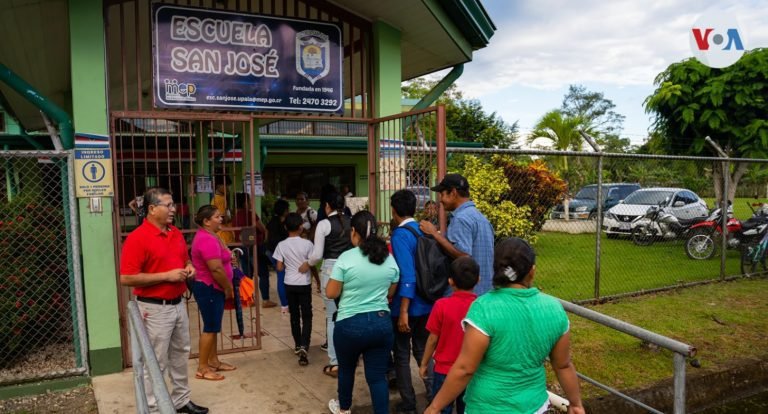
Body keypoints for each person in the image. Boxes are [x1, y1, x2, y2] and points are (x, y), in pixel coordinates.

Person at [424, 238, 585, 414]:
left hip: (488, 407)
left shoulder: (484, 308)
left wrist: (435, 406)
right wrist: (575, 404)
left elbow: (465, 369)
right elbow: (562, 365)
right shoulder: (554, 309)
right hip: (535, 407)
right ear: (532, 271)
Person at [119, 187, 208, 414]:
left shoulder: (175, 233)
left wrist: (189, 267)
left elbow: (185, 258)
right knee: (155, 361)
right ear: (151, 209)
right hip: (154, 309)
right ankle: (154, 407)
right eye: (168, 205)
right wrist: (166, 276)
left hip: (178, 304)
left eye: (173, 204)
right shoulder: (137, 239)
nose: (173, 209)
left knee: (180, 354)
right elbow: (126, 277)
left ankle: (181, 401)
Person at [325, 211, 400, 414]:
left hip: (349, 325)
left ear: (354, 233)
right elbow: (391, 290)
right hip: (381, 324)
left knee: (347, 370)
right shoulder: (388, 257)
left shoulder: (346, 258)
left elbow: (331, 293)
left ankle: (344, 409)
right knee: (377, 377)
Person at [388, 189, 433, 414]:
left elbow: (407, 275)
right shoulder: (424, 230)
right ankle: (435, 396)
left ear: (393, 210)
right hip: (427, 303)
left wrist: (403, 310)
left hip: (406, 305)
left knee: (402, 354)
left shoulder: (400, 235)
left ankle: (408, 404)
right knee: (423, 351)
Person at [419, 257, 479, 414]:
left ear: (450, 281)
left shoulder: (441, 306)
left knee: (441, 407)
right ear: (478, 280)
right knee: (466, 409)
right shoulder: (481, 307)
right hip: (471, 370)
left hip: (443, 371)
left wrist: (424, 363)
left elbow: (432, 339)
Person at [419, 173, 494, 295]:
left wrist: (434, 234)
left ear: (453, 193)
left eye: (442, 194)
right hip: (485, 291)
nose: (441, 200)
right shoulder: (481, 218)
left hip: (467, 294)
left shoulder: (460, 219)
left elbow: (464, 255)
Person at [190, 205, 236, 381]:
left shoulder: (212, 236)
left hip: (213, 287)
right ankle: (202, 368)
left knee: (214, 325)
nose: (221, 219)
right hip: (209, 287)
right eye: (217, 217)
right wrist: (228, 287)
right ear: (206, 221)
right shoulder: (206, 239)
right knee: (210, 327)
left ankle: (214, 361)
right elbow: (216, 269)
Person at [309, 192, 352, 378]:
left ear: (327, 206)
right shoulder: (352, 221)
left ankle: (335, 362)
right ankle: (351, 356)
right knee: (349, 312)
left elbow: (317, 255)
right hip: (351, 268)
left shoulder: (324, 224)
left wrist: (308, 263)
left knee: (332, 316)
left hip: (331, 269)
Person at [272, 213, 314, 366]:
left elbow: (279, 267)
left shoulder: (281, 245)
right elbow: (312, 263)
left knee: (294, 315)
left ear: (285, 227)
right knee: (307, 315)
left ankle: (297, 345)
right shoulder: (308, 244)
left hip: (289, 283)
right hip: (304, 284)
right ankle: (305, 345)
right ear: (301, 226)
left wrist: (287, 265)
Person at [232, 193, 269, 286]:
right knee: (262, 273)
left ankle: (249, 298)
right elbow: (261, 228)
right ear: (245, 203)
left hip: (241, 246)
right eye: (249, 201)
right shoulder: (250, 214)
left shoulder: (234, 216)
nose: (250, 203)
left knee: (247, 275)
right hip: (253, 246)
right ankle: (265, 299)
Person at [265, 199, 291, 310]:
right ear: (284, 210)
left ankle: (285, 303)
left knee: (281, 276)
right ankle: (285, 304)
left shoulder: (272, 221)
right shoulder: (282, 224)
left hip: (270, 251)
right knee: (282, 277)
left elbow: (267, 237)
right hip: (279, 253)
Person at [295, 192, 321, 292]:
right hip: (298, 242)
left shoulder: (312, 213)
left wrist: (310, 238)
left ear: (307, 200)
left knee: (310, 263)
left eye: (302, 199)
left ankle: (317, 282)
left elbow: (317, 226)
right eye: (297, 199)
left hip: (309, 242)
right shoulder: (296, 213)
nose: (299, 201)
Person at [212, 176, 235, 245]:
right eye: (226, 186)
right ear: (218, 186)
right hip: (223, 235)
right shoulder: (220, 199)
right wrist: (232, 219)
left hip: (224, 234)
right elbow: (222, 218)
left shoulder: (218, 198)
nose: (228, 188)